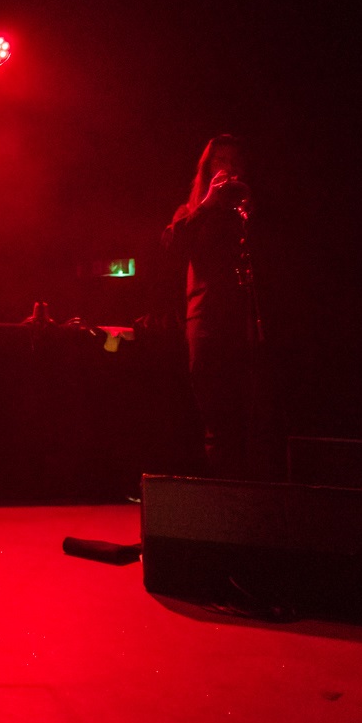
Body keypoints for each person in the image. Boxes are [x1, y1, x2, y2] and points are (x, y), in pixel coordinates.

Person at [162, 136, 259, 479]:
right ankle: (221, 493)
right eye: (221, 160)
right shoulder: (190, 212)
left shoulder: (243, 213)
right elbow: (171, 246)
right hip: (206, 320)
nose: (228, 168)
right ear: (207, 168)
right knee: (215, 414)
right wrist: (207, 204)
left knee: (248, 413)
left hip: (244, 319)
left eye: (234, 161)